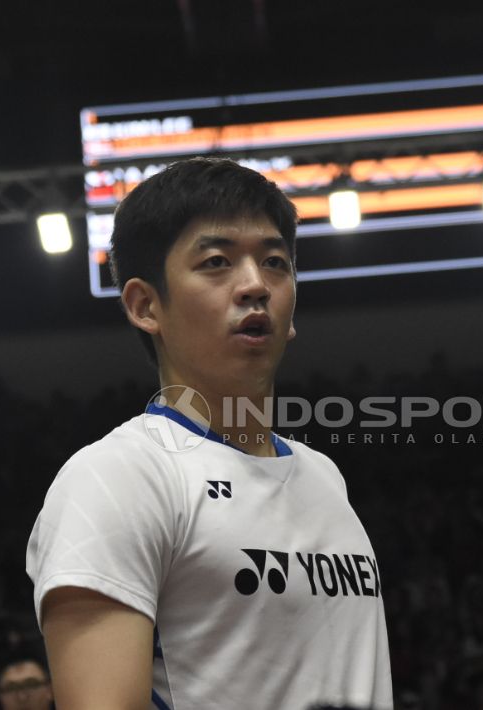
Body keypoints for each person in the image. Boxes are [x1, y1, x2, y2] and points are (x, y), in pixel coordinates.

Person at [26, 157, 393, 710]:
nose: (255, 286)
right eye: (217, 262)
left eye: (274, 262)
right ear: (145, 305)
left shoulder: (324, 477)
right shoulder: (117, 477)